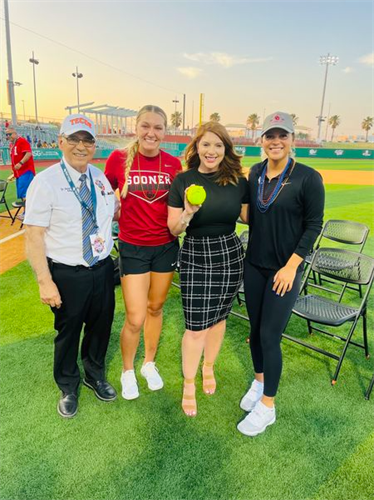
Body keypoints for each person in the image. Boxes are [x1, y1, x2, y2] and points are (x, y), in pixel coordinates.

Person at [24, 114, 119, 418]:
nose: (81, 146)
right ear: (61, 142)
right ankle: (68, 384)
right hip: (67, 272)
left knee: (100, 327)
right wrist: (44, 281)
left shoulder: (100, 178)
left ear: (95, 146)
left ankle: (94, 374)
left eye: (87, 140)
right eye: (74, 139)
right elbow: (34, 235)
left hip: (102, 268)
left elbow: (109, 215)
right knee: (68, 331)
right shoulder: (45, 182)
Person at [237, 111, 325, 437]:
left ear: (292, 140)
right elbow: (248, 216)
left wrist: (291, 265)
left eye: (282, 135)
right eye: (270, 136)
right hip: (254, 266)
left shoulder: (307, 177)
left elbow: (313, 225)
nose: (275, 141)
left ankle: (268, 407)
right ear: (262, 140)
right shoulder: (256, 172)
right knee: (256, 330)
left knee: (270, 336)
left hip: (283, 271)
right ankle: (259, 383)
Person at [168, 121, 249, 417]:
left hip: (229, 252)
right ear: (197, 147)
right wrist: (188, 212)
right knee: (195, 327)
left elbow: (247, 216)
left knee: (218, 319)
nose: (211, 150)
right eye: (206, 144)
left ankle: (209, 367)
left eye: (218, 145)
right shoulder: (183, 181)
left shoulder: (238, 181)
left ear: (226, 149)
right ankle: (189, 383)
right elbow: (174, 227)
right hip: (196, 253)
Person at [104, 105, 182, 400]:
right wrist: (112, 211)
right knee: (135, 317)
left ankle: (149, 363)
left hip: (165, 247)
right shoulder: (118, 159)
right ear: (136, 128)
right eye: (146, 126)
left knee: (156, 308)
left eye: (158, 127)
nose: (152, 132)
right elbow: (102, 194)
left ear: (164, 131)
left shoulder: (174, 164)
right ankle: (127, 370)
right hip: (133, 247)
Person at [6, 127, 36, 219]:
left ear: (15, 133)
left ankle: (28, 213)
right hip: (19, 173)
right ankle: (25, 212)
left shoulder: (22, 141)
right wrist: (13, 170)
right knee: (21, 193)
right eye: (6, 135)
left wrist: (21, 163)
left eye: (10, 134)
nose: (8, 136)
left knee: (25, 193)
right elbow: (13, 158)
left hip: (26, 171)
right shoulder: (12, 145)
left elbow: (28, 153)